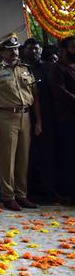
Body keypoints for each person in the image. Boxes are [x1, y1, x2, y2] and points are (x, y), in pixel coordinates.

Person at [0, 34, 42, 211]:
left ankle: (21, 194)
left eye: (16, 49)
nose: (14, 53)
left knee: (23, 157)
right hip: (5, 116)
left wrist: (38, 120)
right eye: (10, 50)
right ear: (2, 52)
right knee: (7, 157)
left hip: (25, 116)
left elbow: (35, 97)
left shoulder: (26, 69)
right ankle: (8, 196)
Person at [24, 38, 59, 203]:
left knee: (48, 155)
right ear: (24, 51)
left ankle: (49, 192)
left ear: (40, 50)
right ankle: (31, 192)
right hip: (25, 117)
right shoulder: (22, 69)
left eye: (36, 49)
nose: (33, 51)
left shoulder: (49, 67)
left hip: (49, 117)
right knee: (29, 156)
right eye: (29, 49)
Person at [50, 36, 75, 199]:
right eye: (73, 47)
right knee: (71, 157)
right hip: (68, 120)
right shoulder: (57, 68)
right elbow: (60, 92)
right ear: (65, 50)